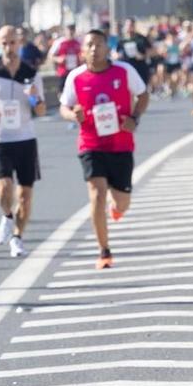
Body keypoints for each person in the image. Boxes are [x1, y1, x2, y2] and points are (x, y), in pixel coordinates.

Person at [62, 29, 149, 267]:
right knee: (97, 194)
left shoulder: (124, 71)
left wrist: (135, 118)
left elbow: (142, 95)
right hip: (91, 143)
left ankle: (117, 208)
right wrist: (73, 116)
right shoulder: (75, 77)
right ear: (82, 51)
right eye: (89, 45)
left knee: (123, 203)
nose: (94, 49)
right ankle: (104, 251)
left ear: (107, 48)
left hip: (121, 145)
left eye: (99, 44)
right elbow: (64, 107)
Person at [0, 24, 44, 259]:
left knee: (25, 195)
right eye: (3, 43)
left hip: (25, 137)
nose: (8, 47)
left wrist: (34, 97)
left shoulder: (31, 74)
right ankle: (6, 215)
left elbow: (41, 110)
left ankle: (17, 238)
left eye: (12, 42)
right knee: (3, 187)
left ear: (19, 44)